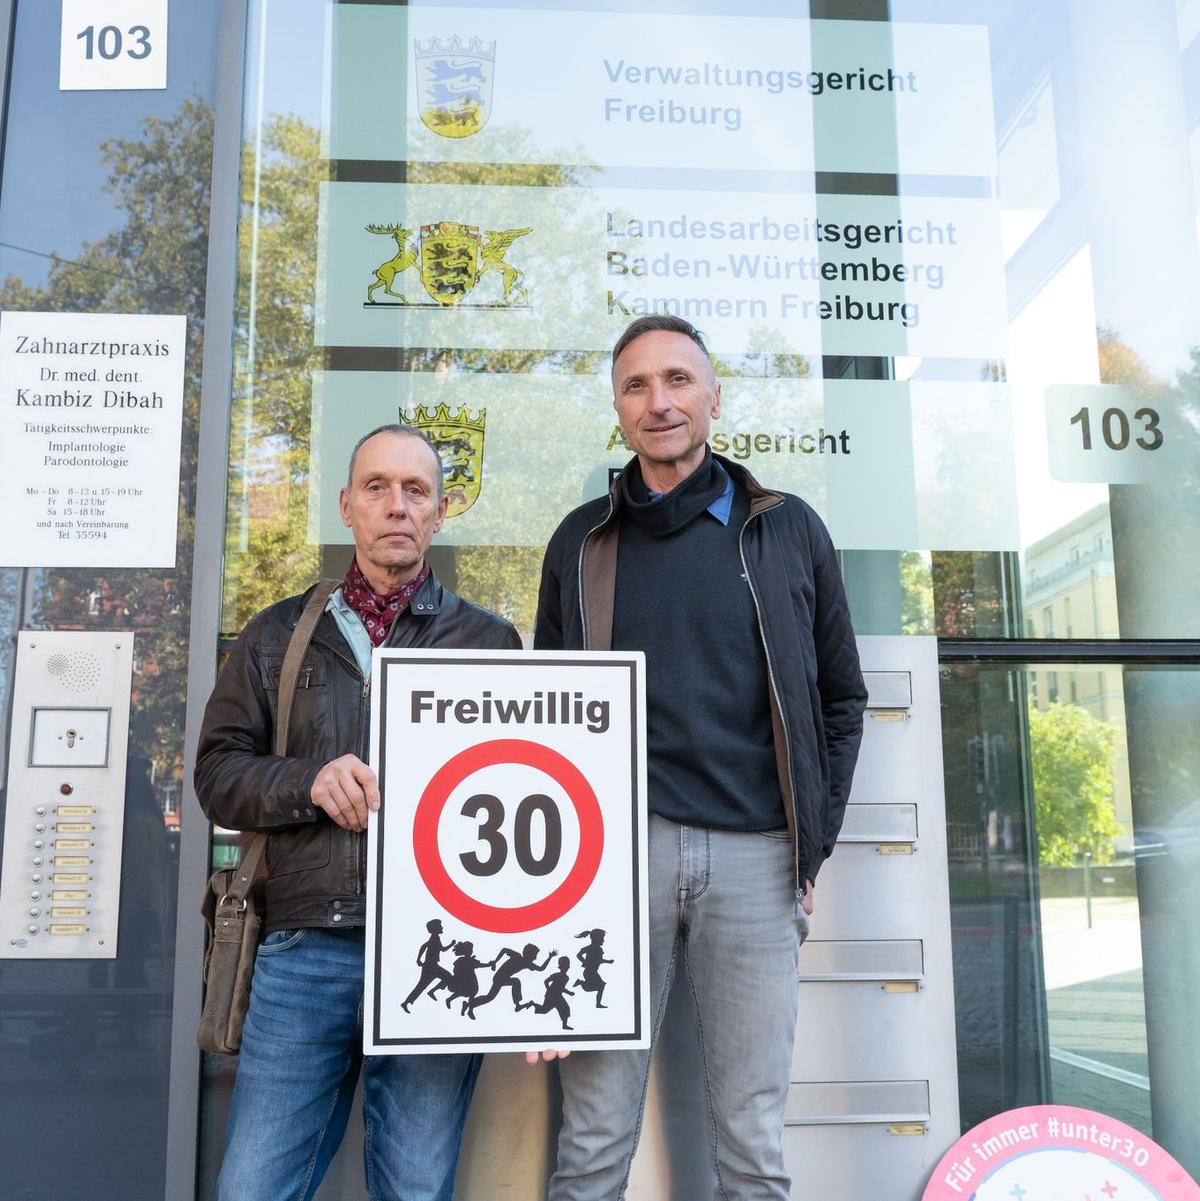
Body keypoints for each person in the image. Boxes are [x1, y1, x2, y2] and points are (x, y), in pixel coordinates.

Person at [535, 314, 868, 1201]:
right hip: (613, 863)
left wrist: (812, 843)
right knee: (592, 1137)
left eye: (678, 380)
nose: (660, 401)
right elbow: (547, 725)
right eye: (637, 385)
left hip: (759, 856)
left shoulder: (787, 529)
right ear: (618, 409)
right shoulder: (580, 540)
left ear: (714, 397)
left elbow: (842, 698)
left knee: (752, 1146)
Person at [195, 424, 521, 1201]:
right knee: (251, 1189)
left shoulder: (489, 641)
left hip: (440, 955)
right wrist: (306, 781)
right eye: (377, 487)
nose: (396, 505)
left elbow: (520, 806)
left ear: (440, 511)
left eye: (416, 490)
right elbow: (215, 774)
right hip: (303, 947)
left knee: (414, 1188)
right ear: (347, 506)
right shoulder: (276, 635)